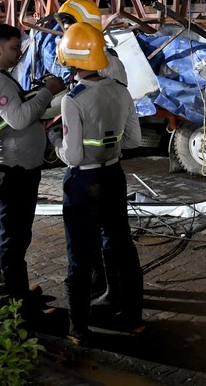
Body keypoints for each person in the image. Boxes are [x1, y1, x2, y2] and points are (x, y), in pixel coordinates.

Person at [49, 22, 143, 344]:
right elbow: (132, 141)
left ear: (71, 60)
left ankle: (79, 328)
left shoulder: (72, 100)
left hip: (83, 181)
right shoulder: (120, 90)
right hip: (113, 176)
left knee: (80, 253)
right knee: (121, 245)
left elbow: (73, 156)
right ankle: (132, 317)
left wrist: (55, 142)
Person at [0, 23, 65, 322]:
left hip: (9, 167)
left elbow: (16, 110)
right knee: (14, 239)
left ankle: (12, 294)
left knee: (4, 235)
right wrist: (48, 92)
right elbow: (18, 117)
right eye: (14, 48)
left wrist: (34, 95)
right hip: (14, 171)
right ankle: (20, 309)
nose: (18, 53)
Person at [56, 0, 127, 84]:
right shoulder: (79, 58)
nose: (68, 36)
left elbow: (117, 94)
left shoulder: (110, 65)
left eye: (70, 30)